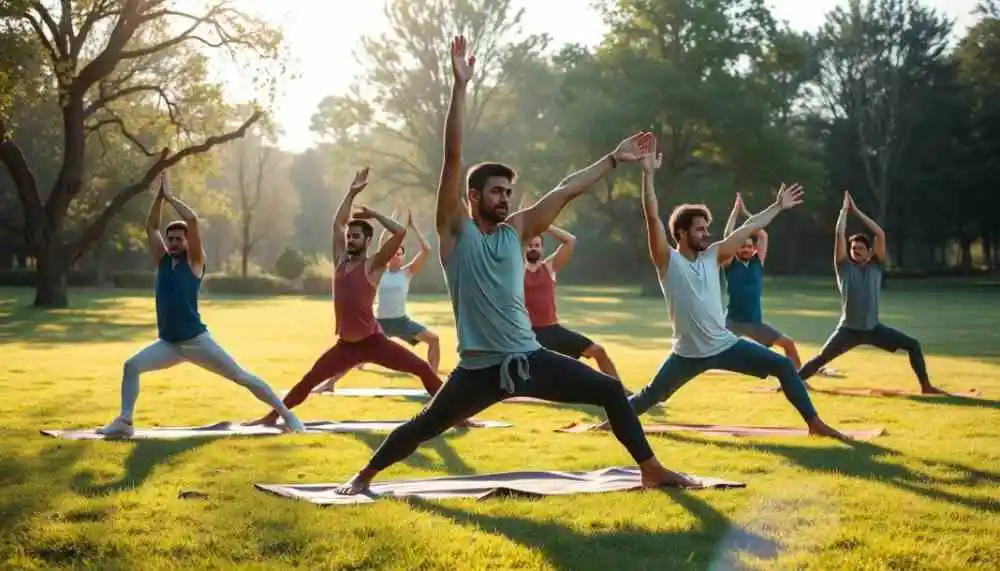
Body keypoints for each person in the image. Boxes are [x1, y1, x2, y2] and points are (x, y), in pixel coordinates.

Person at [334, 36, 695, 495]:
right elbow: (452, 159)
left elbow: (565, 191)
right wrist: (459, 87)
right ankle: (362, 477)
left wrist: (612, 161)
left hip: (530, 358)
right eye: (496, 191)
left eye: (508, 190)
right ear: (474, 197)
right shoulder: (454, 233)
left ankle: (651, 468)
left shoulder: (517, 231)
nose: (504, 197)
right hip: (480, 369)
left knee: (608, 390)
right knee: (429, 423)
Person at [610, 145, 847, 440]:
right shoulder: (666, 260)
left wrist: (777, 207)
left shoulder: (713, 255)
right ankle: (609, 426)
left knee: (783, 365)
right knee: (650, 396)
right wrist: (647, 176)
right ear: (681, 233)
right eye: (699, 229)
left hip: (724, 345)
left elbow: (748, 226)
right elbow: (652, 216)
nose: (706, 233)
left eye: (707, 228)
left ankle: (815, 424)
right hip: (686, 354)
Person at [97, 171, 305, 437]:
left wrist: (171, 197)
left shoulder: (195, 262)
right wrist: (159, 198)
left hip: (197, 341)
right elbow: (150, 227)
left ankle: (287, 415)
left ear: (187, 242)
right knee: (131, 366)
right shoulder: (162, 261)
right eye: (170, 239)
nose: (172, 242)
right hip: (169, 344)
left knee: (242, 377)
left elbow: (193, 220)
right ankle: (125, 422)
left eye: (178, 239)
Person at [245, 168, 445, 426]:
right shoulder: (340, 260)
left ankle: (455, 415)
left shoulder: (374, 265)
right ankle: (271, 418)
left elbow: (399, 233)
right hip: (346, 347)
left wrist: (373, 214)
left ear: (367, 240)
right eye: (349, 236)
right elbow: (337, 224)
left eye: (356, 236)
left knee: (422, 368)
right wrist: (351, 193)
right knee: (308, 380)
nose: (350, 239)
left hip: (374, 342)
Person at [797, 192, 943, 394]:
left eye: (859, 248)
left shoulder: (875, 266)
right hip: (848, 330)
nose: (854, 251)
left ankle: (926, 386)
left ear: (869, 252)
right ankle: (789, 385)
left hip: (874, 329)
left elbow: (880, 234)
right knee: (821, 358)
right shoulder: (843, 267)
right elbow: (839, 235)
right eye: (852, 248)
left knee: (913, 345)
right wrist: (844, 212)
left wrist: (857, 211)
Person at [720, 193, 839, 383]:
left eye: (749, 247)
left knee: (788, 344)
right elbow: (728, 239)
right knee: (706, 350)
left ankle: (799, 380)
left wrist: (747, 213)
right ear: (736, 250)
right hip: (731, 322)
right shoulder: (729, 264)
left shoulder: (758, 262)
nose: (746, 249)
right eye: (742, 247)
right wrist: (735, 213)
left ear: (754, 249)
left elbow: (762, 234)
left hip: (754, 323)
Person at [524, 226, 623, 381]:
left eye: (537, 245)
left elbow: (570, 240)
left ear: (542, 249)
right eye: (530, 245)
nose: (533, 249)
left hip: (553, 330)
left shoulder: (548, 267)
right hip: (529, 334)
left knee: (598, 351)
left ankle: (621, 392)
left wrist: (546, 225)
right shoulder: (516, 272)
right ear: (523, 248)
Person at [371, 210, 442, 373]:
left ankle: (433, 377)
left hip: (401, 322)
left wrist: (413, 226)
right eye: (394, 253)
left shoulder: (407, 272)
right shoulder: (381, 270)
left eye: (400, 254)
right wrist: (392, 220)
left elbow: (426, 250)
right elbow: (382, 243)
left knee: (434, 340)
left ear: (403, 256)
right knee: (356, 347)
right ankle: (334, 380)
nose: (396, 256)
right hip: (380, 323)